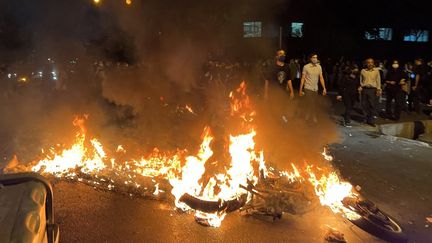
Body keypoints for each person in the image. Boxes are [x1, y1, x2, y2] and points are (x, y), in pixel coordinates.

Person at [299, 53, 327, 123]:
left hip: (315, 88)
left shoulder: (319, 67)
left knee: (314, 103)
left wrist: (324, 88)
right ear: (310, 59)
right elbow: (303, 78)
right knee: (310, 103)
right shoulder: (306, 67)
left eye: (316, 58)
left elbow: (321, 78)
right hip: (308, 88)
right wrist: (300, 89)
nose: (315, 59)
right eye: (314, 57)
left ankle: (308, 116)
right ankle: (312, 117)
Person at [359, 58, 381, 126]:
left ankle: (371, 120)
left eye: (371, 62)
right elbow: (360, 80)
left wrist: (378, 89)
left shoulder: (376, 71)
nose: (370, 64)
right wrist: (361, 86)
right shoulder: (363, 71)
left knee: (372, 105)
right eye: (368, 62)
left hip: (372, 89)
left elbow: (378, 80)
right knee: (364, 105)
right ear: (366, 63)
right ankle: (365, 119)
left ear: (373, 63)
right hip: (365, 89)